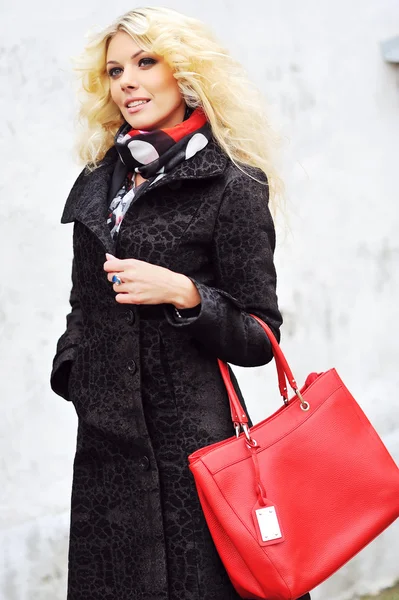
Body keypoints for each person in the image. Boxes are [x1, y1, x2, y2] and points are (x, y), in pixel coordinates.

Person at [50, 6, 310, 600]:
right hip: (106, 449)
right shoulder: (100, 180)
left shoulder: (232, 183)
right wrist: (75, 375)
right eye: (115, 71)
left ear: (185, 73)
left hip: (191, 447)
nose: (128, 82)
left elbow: (259, 336)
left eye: (146, 62)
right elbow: (80, 303)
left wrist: (186, 293)